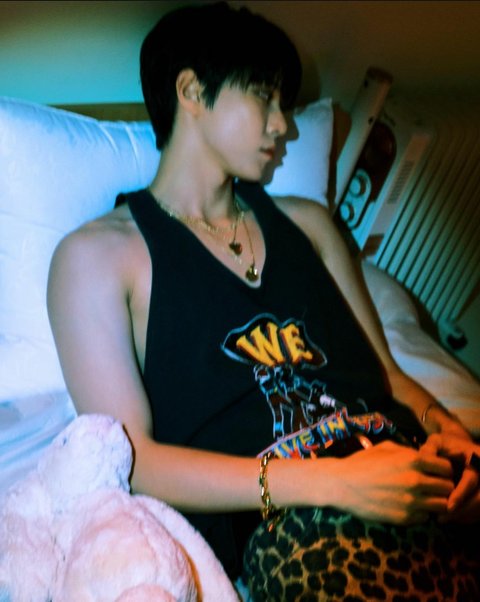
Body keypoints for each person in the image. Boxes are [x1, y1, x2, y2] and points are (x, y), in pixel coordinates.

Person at [47, 2, 480, 599]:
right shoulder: (98, 256)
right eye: (264, 98)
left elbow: (389, 376)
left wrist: (453, 437)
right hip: (301, 521)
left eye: (285, 103)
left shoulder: (310, 226)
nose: (284, 125)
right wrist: (337, 483)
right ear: (191, 92)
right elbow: (134, 460)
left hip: (417, 471)